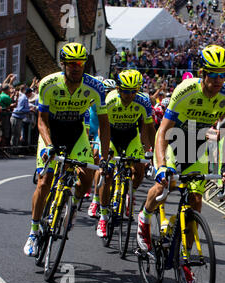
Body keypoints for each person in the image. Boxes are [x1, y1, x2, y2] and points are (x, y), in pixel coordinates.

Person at [137, 44, 225, 283]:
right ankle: (145, 216)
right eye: (213, 75)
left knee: (195, 203)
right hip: (174, 141)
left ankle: (184, 260)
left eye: (222, 75)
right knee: (165, 187)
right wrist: (162, 165)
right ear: (202, 73)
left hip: (197, 146)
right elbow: (163, 130)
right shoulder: (186, 90)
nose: (218, 81)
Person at [23, 43, 110, 257]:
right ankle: (33, 232)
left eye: (80, 63)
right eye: (71, 64)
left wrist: (105, 156)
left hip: (75, 132)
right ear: (63, 64)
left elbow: (104, 123)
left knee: (88, 176)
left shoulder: (95, 87)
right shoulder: (49, 84)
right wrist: (49, 145)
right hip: (51, 132)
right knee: (45, 181)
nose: (76, 67)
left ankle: (74, 205)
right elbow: (41, 120)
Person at [96, 69, 155, 237]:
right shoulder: (110, 100)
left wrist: (150, 152)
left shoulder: (143, 101)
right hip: (112, 135)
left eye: (133, 91)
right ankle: (103, 215)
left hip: (131, 136)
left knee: (140, 169)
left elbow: (149, 128)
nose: (129, 95)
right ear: (118, 89)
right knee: (107, 175)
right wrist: (103, 153)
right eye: (125, 91)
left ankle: (131, 193)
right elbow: (103, 128)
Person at [87, 78, 117, 218]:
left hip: (107, 131)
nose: (108, 93)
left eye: (110, 91)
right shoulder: (95, 99)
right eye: (106, 91)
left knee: (106, 162)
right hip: (93, 128)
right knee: (96, 157)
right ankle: (94, 199)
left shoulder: (114, 101)